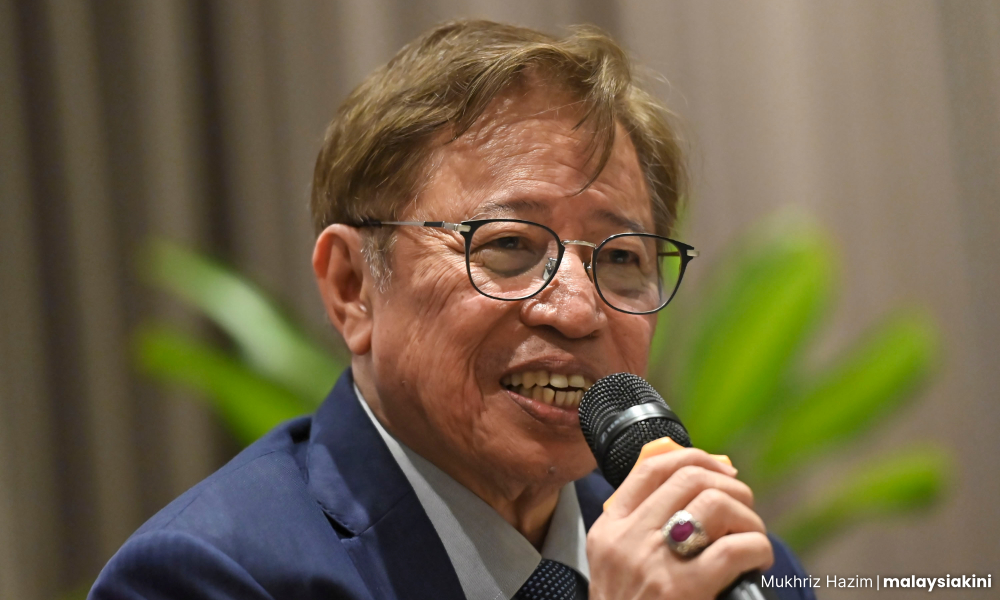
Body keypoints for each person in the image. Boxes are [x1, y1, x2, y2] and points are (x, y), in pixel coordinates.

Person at [91, 19, 815, 600]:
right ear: (352, 286)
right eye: (508, 245)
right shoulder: (208, 576)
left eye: (622, 258)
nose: (576, 310)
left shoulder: (722, 567)